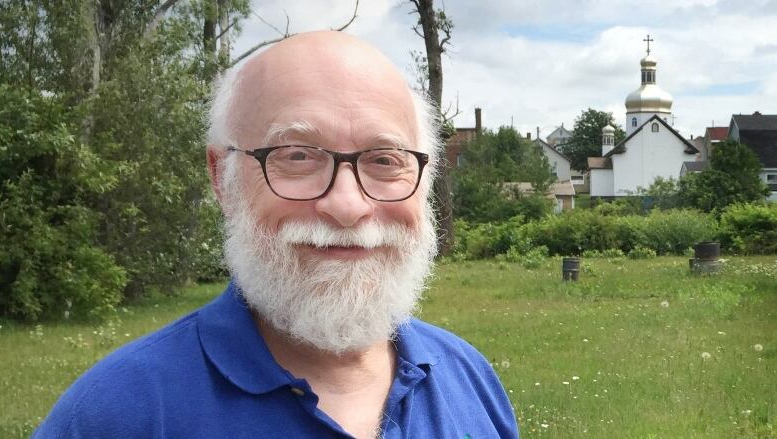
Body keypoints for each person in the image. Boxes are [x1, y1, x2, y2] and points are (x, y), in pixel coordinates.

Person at [33, 31, 519, 439]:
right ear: (222, 177)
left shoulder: (469, 377)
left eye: (384, 160)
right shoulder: (116, 415)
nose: (348, 206)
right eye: (298, 156)